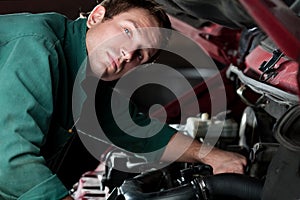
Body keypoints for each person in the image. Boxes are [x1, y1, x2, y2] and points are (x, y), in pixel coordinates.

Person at [0, 0, 246, 199]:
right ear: (96, 15)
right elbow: (9, 163)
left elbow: (133, 128)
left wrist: (212, 156)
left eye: (140, 55)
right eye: (127, 31)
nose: (128, 53)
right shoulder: (38, 47)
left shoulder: (84, 74)